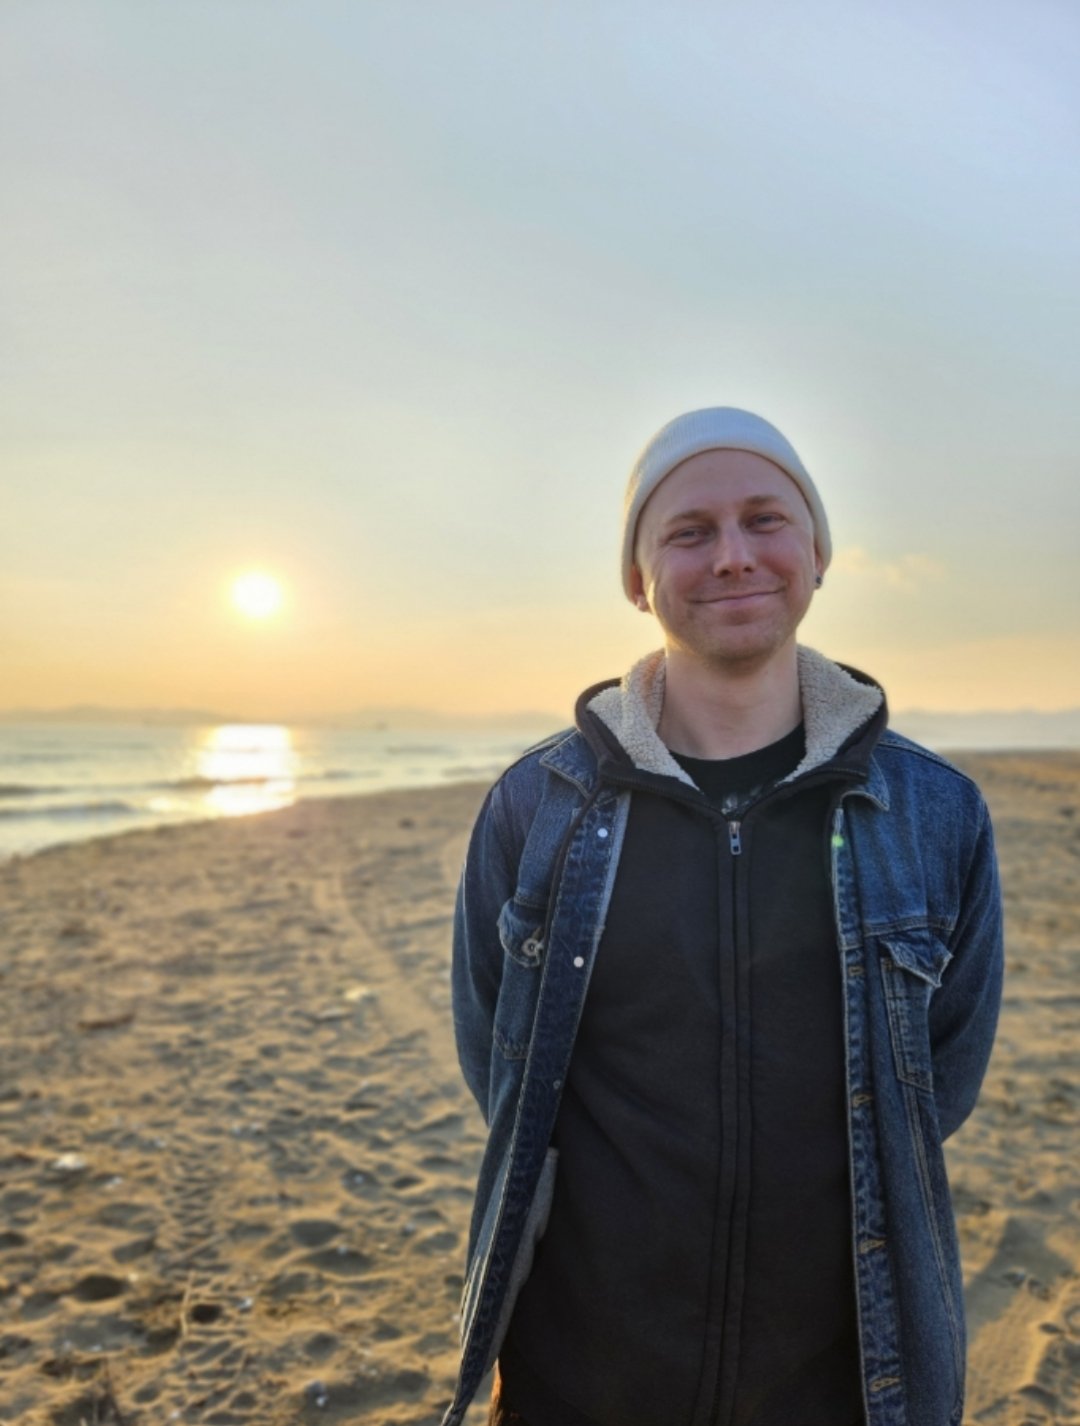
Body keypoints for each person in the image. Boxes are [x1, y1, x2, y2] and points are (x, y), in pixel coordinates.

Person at [444, 407, 1003, 1426]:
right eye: (690, 532)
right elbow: (507, 1072)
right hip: (583, 1376)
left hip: (841, 1380)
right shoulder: (536, 807)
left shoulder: (936, 813)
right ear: (638, 577)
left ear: (818, 551)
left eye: (765, 519)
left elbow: (938, 1086)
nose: (733, 555)